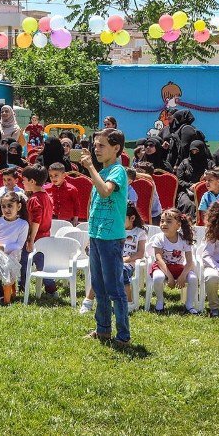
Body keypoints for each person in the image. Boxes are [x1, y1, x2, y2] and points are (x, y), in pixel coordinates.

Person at [79, 128, 131, 343]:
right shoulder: (102, 172)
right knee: (99, 287)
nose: (96, 149)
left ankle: (123, 335)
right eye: (95, 145)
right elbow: (94, 205)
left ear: (116, 148)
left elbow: (105, 191)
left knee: (115, 289)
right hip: (98, 235)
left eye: (102, 146)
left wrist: (90, 167)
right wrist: (89, 234)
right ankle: (103, 329)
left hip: (111, 238)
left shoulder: (118, 171)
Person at [148, 208, 198, 314]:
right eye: (162, 221)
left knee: (193, 278)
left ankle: (189, 304)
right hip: (162, 267)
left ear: (178, 225)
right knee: (158, 277)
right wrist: (170, 276)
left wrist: (183, 276)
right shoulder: (159, 238)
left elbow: (190, 262)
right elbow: (159, 259)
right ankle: (160, 301)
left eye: (169, 221)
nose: (164, 224)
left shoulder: (184, 239)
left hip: (178, 267)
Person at [20, 165, 54, 295]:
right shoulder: (47, 196)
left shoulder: (34, 199)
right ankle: (51, 289)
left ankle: (22, 287)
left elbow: (36, 221)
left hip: (35, 238)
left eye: (24, 180)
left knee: (23, 263)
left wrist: (31, 240)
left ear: (32, 182)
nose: (22, 183)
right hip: (46, 237)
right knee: (43, 266)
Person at [175, 139, 213, 216]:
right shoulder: (185, 163)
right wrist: (190, 186)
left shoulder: (209, 163)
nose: (194, 153)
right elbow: (179, 179)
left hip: (206, 191)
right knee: (189, 205)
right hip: (187, 191)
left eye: (196, 151)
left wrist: (201, 184)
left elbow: (215, 177)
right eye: (192, 151)